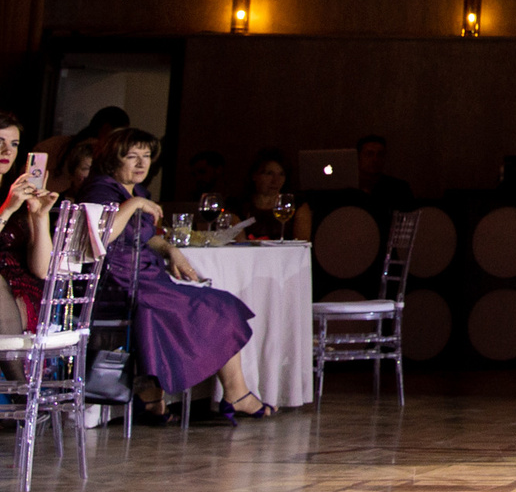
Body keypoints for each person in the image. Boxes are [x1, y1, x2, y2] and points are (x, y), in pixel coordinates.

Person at [77, 127, 276, 423]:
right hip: (117, 284)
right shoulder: (101, 190)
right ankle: (236, 394)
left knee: (217, 302)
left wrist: (170, 249)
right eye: (132, 157)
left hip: (145, 277)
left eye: (146, 156)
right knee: (213, 306)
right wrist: (134, 205)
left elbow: (143, 235)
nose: (142, 164)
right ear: (111, 160)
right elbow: (98, 238)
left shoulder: (135, 190)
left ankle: (157, 397)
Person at [0, 112, 61, 336]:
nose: (8, 151)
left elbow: (43, 269)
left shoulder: (18, 192)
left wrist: (39, 215)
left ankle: (18, 372)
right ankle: (19, 373)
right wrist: (7, 208)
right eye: (0, 141)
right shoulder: (12, 200)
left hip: (20, 286)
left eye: (14, 144)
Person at [243, 150, 312, 241]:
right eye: (269, 174)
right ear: (255, 175)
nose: (276, 180)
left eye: (281, 174)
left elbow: (302, 243)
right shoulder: (239, 206)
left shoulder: (296, 206)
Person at [354, 134, 415, 209]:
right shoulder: (348, 186)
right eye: (369, 154)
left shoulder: (399, 189)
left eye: (380, 155)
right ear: (358, 157)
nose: (375, 159)